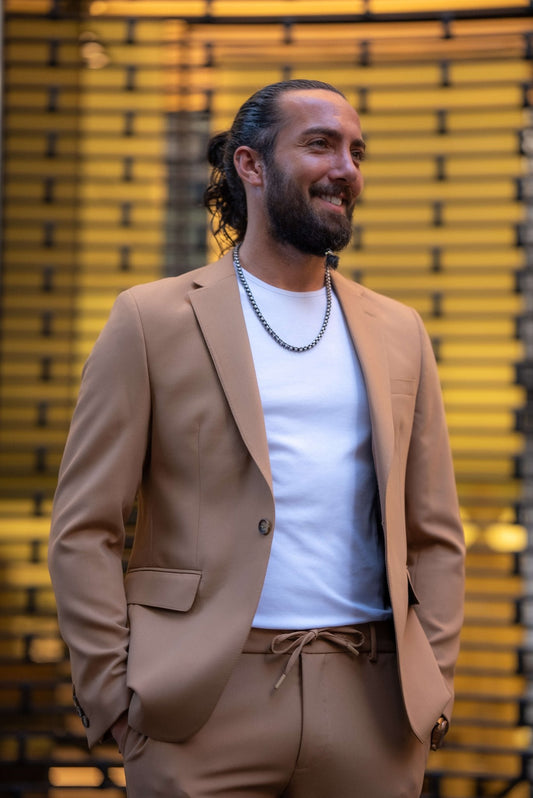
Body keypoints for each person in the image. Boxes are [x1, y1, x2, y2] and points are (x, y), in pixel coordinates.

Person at [48, 79, 465, 797]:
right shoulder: (150, 320)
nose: (345, 168)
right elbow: (84, 528)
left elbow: (434, 533)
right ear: (250, 165)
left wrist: (433, 678)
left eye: (356, 152)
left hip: (371, 700)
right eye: (320, 145)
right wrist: (112, 694)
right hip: (198, 703)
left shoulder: (399, 331)